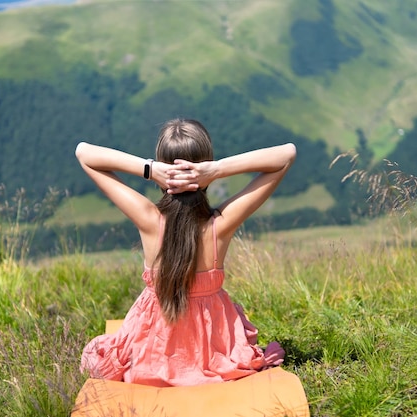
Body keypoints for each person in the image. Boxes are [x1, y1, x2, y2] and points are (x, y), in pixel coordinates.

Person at [75, 118, 296, 387]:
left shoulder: (147, 218)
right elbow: (287, 154)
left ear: (161, 168)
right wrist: (216, 170)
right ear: (205, 166)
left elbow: (84, 153)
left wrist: (150, 169)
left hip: (154, 351)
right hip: (211, 351)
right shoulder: (220, 224)